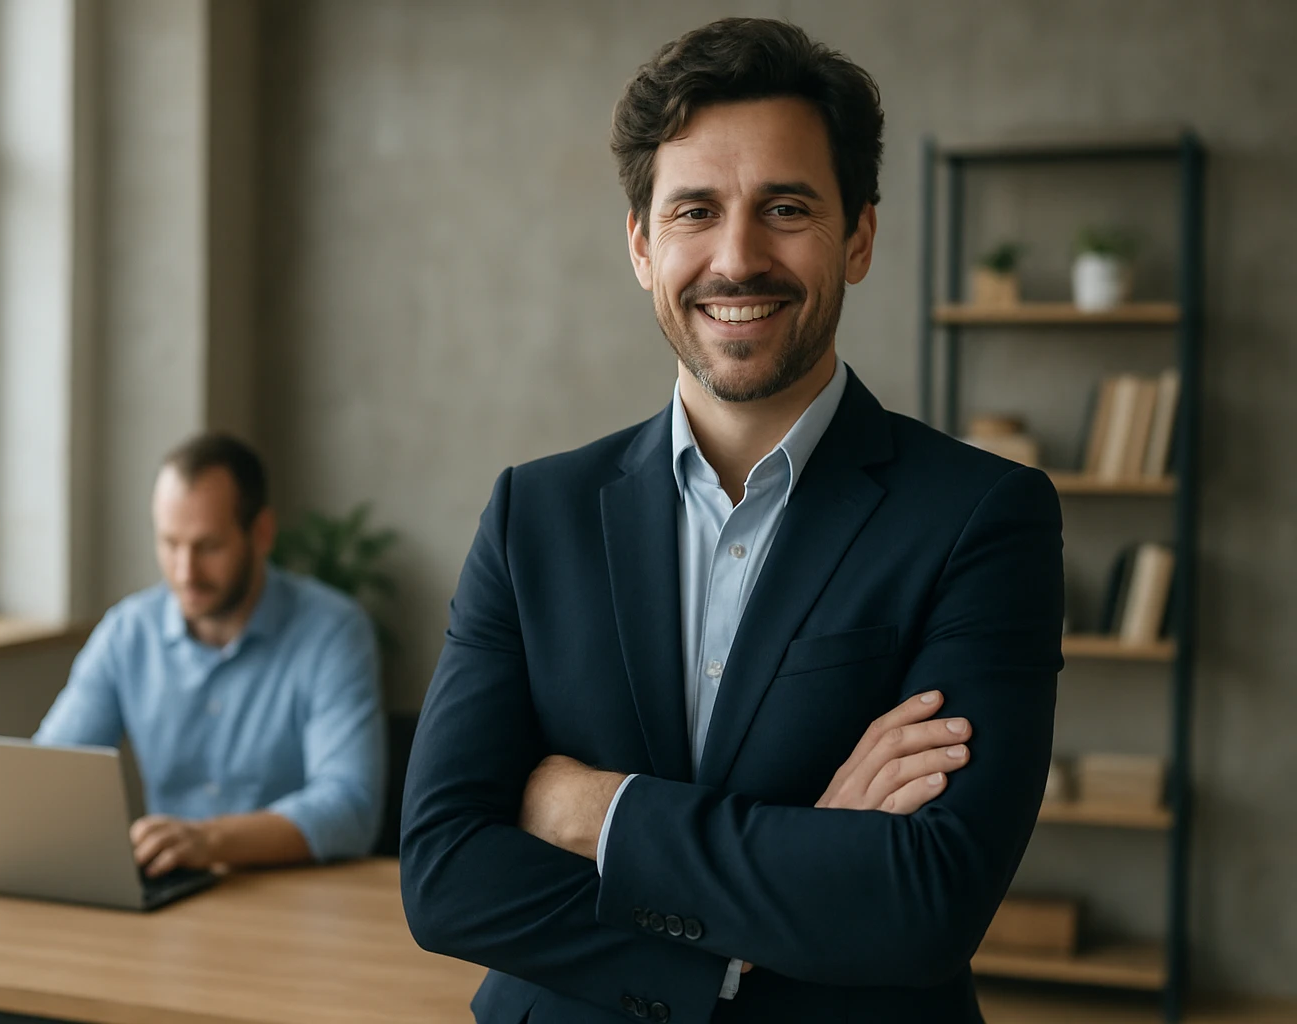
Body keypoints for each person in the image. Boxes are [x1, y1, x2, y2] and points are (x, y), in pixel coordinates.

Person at [400, 17, 1061, 1024]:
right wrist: (774, 899)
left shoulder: (983, 517)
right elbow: (445, 870)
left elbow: (927, 898)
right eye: (695, 211)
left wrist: (594, 809)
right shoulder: (534, 514)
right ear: (640, 245)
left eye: (785, 207)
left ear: (860, 236)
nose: (737, 257)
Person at [35, 432, 386, 876]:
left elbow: (350, 808)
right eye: (169, 543)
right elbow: (48, 774)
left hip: (295, 898)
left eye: (208, 546)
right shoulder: (128, 632)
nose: (185, 572)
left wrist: (210, 840)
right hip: (173, 894)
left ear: (261, 533)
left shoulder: (333, 632)